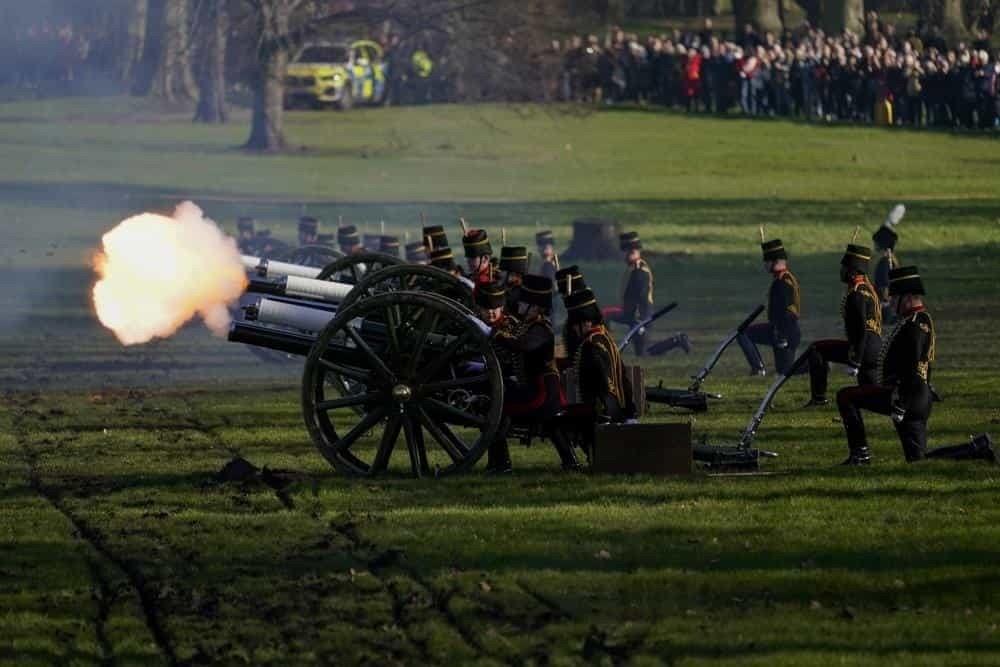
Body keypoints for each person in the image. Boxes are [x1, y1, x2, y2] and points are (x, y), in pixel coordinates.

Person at [836, 266, 996, 464]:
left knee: (846, 396)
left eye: (895, 298)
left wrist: (901, 404)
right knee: (918, 460)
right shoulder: (919, 320)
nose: (891, 302)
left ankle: (860, 454)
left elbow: (912, 366)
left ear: (908, 296)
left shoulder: (914, 324)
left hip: (905, 396)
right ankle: (976, 448)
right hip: (916, 396)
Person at [489, 274, 578, 472]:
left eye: (524, 302)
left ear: (535, 307)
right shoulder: (528, 325)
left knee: (499, 409)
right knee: (552, 426)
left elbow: (522, 346)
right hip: (541, 388)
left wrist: (496, 335)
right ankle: (570, 462)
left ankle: (501, 464)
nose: (519, 305)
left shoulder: (540, 329)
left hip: (542, 391)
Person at [804, 243, 882, 407]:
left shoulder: (856, 294)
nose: (841, 271)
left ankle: (818, 398)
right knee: (872, 396)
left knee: (816, 349)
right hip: (874, 348)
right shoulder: (867, 288)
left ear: (852, 270)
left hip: (863, 348)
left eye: (844, 267)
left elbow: (861, 329)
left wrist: (856, 360)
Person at [564, 287, 635, 423]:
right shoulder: (604, 337)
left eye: (576, 324)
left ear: (587, 322)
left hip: (601, 409)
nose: (573, 328)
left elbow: (603, 380)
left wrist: (604, 409)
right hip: (615, 407)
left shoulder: (591, 344)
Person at [738, 236, 802, 376]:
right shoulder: (786, 277)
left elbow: (787, 312)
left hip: (785, 332)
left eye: (767, 261)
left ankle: (758, 368)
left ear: (775, 262)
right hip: (783, 330)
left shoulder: (782, 282)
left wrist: (781, 337)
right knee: (784, 370)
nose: (764, 265)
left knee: (743, 333)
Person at [616, 231, 654, 356]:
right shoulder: (632, 269)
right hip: (631, 313)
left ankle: (676, 340)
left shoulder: (640, 272)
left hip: (640, 316)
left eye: (630, 253)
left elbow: (641, 297)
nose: (626, 256)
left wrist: (638, 319)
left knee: (644, 353)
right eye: (626, 253)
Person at [498, 246, 528, 314]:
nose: (501, 274)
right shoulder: (504, 287)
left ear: (517, 275)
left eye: (504, 272)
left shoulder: (523, 292)